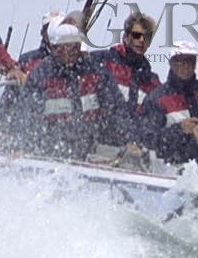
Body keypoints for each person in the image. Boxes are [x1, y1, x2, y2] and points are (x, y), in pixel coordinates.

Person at [7, 20, 126, 160]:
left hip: (90, 151)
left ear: (79, 47)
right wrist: (20, 146)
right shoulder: (41, 75)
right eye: (61, 48)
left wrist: (128, 141)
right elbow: (25, 112)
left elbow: (116, 109)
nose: (67, 53)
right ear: (53, 48)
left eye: (72, 48)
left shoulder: (97, 74)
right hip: (50, 152)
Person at [142, 41, 198, 173]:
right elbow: (148, 138)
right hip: (173, 172)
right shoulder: (157, 99)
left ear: (195, 64)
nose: (186, 65)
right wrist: (179, 129)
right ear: (171, 63)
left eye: (190, 61)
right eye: (180, 61)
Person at [93, 9, 161, 153]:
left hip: (134, 151)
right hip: (100, 145)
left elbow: (153, 119)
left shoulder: (152, 81)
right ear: (126, 37)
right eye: (136, 35)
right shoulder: (103, 61)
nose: (141, 40)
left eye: (146, 37)